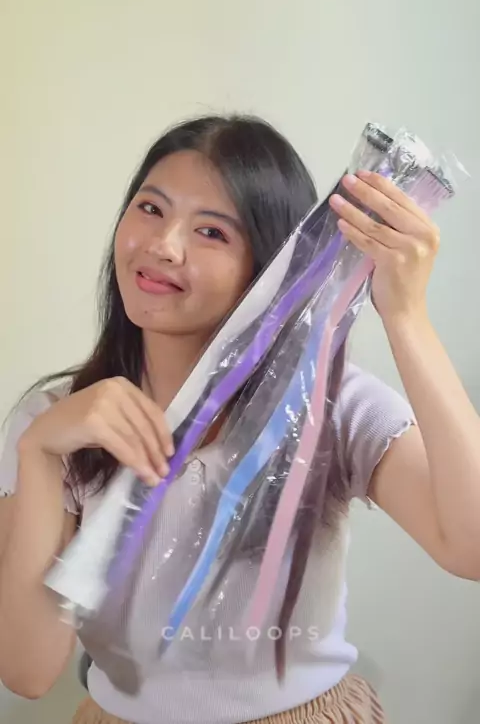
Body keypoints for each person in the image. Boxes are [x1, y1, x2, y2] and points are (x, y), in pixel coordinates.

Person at [0, 115, 479, 724]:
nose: (164, 245)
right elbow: (27, 672)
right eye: (150, 209)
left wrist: (406, 315)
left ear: (272, 264)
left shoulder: (332, 404)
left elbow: (471, 547)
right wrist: (39, 455)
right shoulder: (54, 421)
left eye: (211, 231)